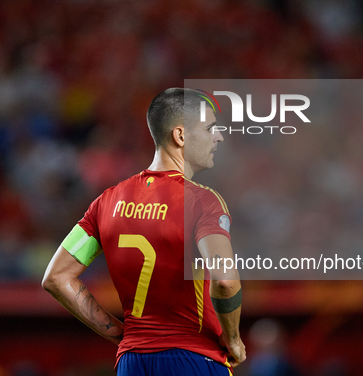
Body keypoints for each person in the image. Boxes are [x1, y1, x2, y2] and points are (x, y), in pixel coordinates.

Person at [42, 88, 246, 375]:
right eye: (210, 128)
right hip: (194, 357)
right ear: (181, 136)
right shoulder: (202, 201)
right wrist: (234, 340)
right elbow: (225, 280)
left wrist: (120, 334)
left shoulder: (106, 201)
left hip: (132, 361)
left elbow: (56, 277)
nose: (219, 137)